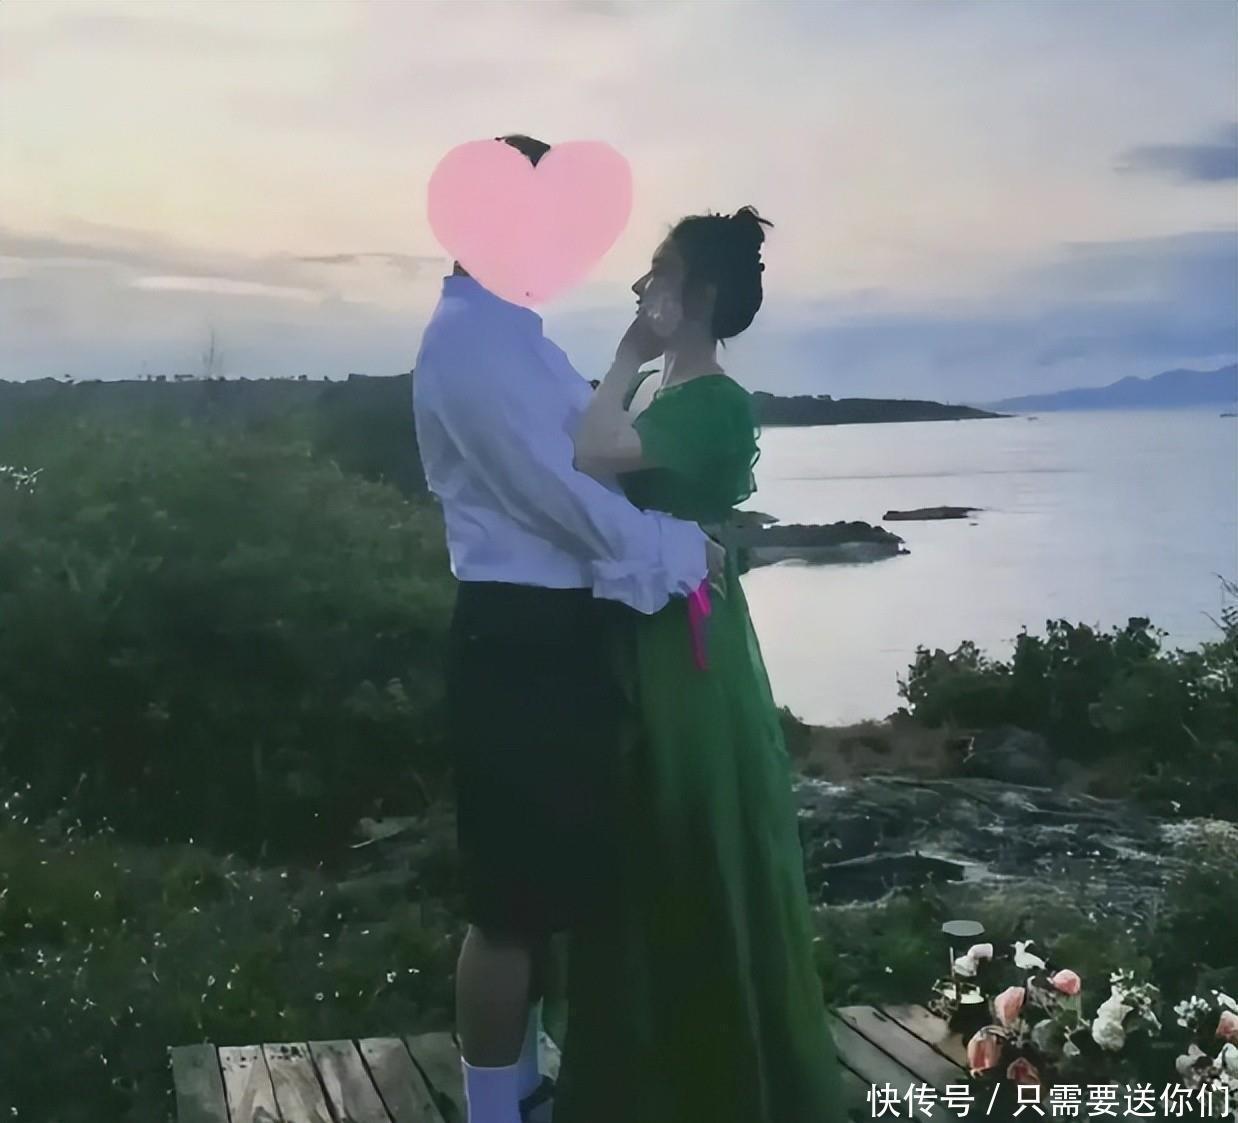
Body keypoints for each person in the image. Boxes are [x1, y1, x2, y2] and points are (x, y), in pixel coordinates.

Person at [411, 134, 724, 1123]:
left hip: (551, 634)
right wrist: (682, 551)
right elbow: (561, 499)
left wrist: (633, 362)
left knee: (549, 889)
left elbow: (588, 461)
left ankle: (528, 1085)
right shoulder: (470, 345)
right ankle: (493, 1110)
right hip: (516, 636)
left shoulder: (513, 337)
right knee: (508, 906)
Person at [553, 206, 846, 1122]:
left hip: (685, 638)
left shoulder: (714, 399)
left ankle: (711, 1076)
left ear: (702, 293)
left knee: (684, 831)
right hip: (643, 617)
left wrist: (624, 354)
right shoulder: (662, 393)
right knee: (639, 841)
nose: (643, 286)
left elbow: (591, 453)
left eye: (661, 272)